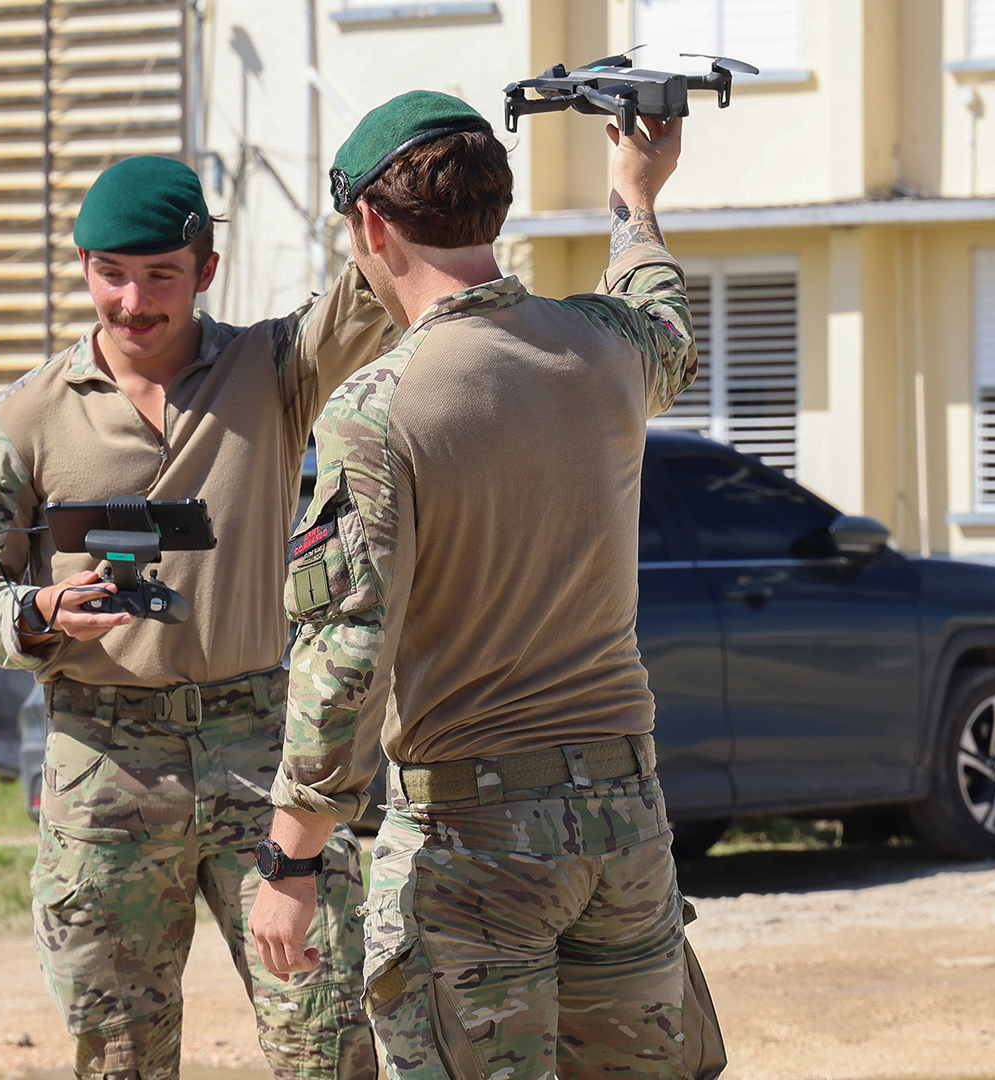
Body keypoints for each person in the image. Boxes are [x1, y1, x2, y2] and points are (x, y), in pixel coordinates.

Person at [249, 91, 699, 1080]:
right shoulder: (607, 349)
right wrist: (635, 194)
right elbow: (664, 310)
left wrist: (291, 858)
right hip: (625, 826)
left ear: (370, 223)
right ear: (491, 211)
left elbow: (346, 652)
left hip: (473, 839)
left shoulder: (376, 408)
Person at [0, 154, 397, 1080]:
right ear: (82, 267)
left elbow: (376, 282)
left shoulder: (273, 370)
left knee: (326, 1029)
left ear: (206, 270)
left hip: (262, 748)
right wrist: (39, 613)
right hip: (104, 762)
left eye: (160, 277)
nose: (133, 302)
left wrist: (388, 173)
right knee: (118, 1051)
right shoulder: (22, 419)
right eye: (111, 274)